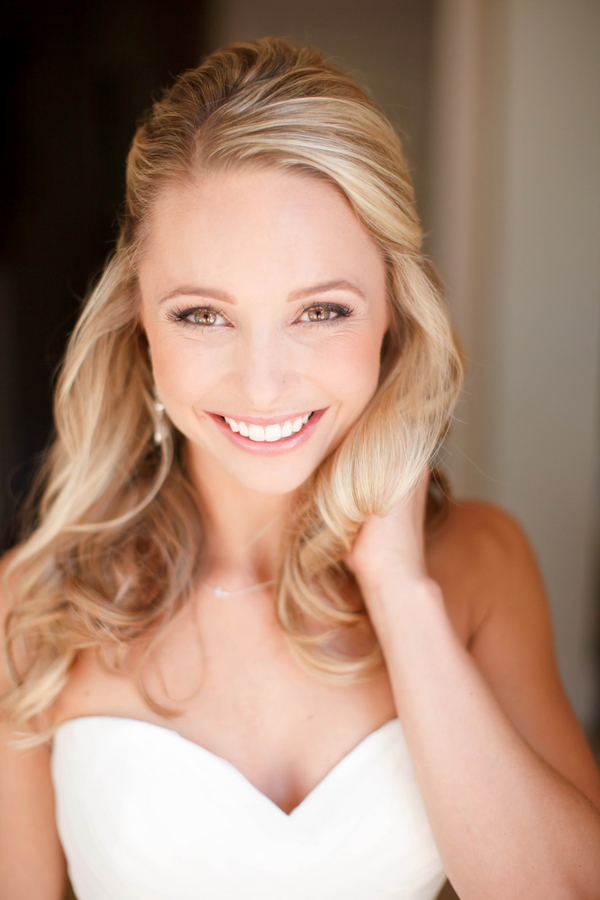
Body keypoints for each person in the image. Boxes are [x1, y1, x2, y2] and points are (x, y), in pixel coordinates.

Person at [1, 37, 599, 900]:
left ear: (394, 312)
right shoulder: (40, 609)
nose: (263, 382)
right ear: (139, 322)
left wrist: (397, 588)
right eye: (204, 315)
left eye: (321, 309)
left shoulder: (480, 565)